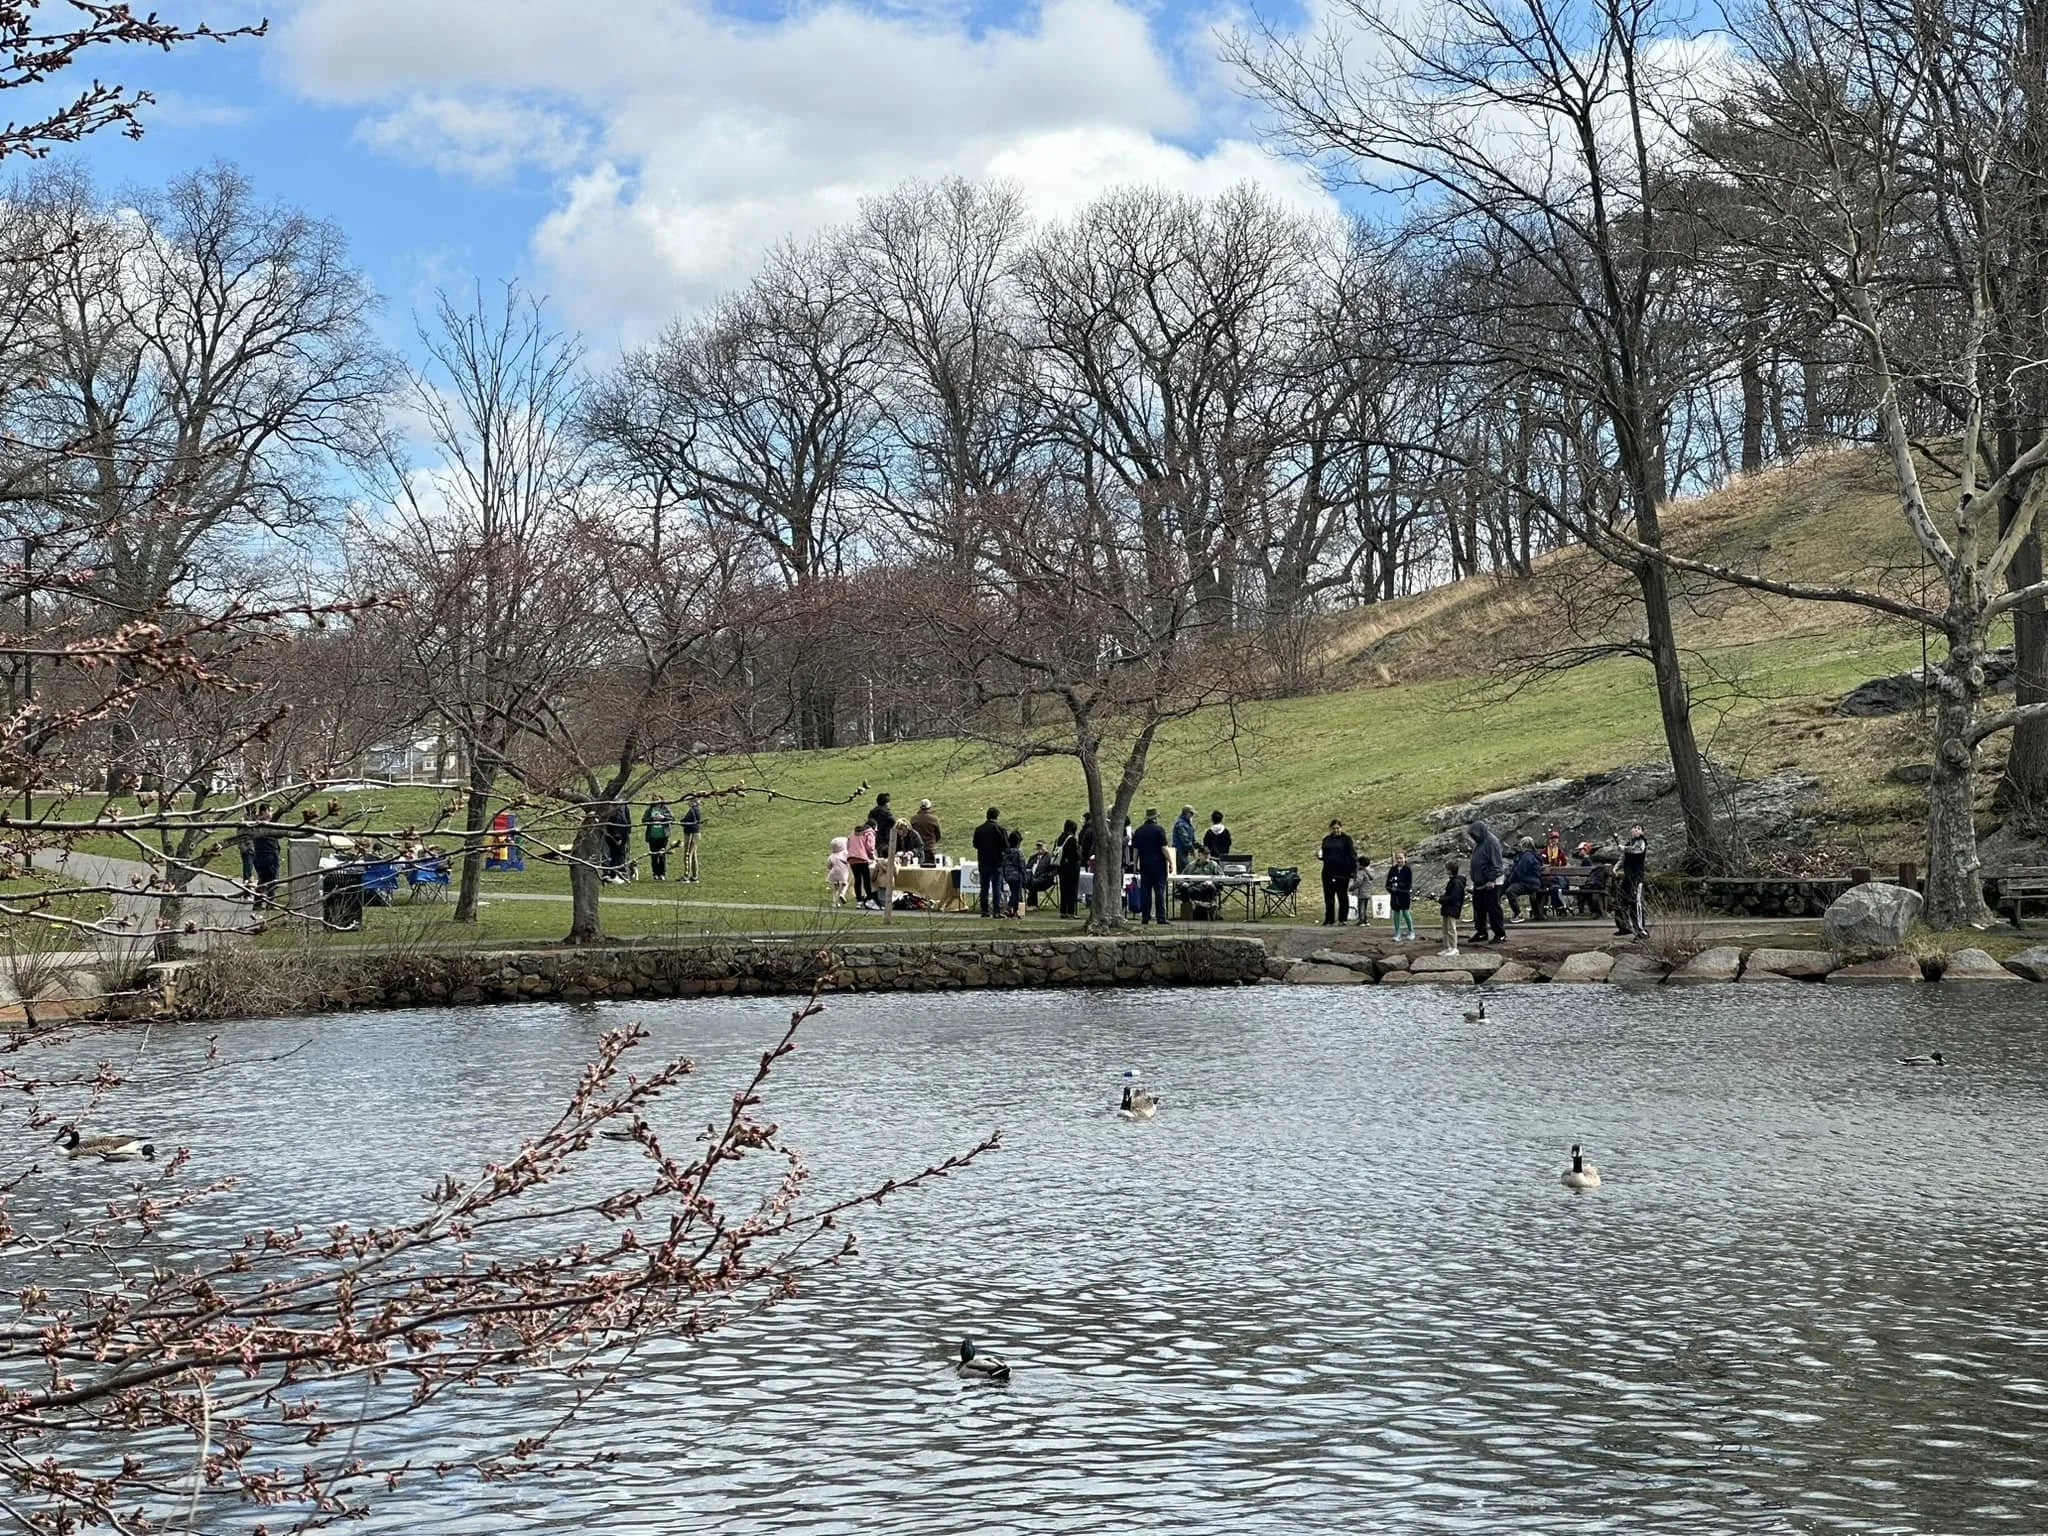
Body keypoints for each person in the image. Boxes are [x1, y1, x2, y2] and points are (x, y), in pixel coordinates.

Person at [1467, 820, 1507, 943]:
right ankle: (1481, 932)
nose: (1474, 837)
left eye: (1475, 835)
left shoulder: (1491, 842)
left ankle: (1500, 934)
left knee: (1493, 908)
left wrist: (1491, 879)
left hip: (1491, 882)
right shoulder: (1479, 843)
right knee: (1479, 908)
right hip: (1479, 882)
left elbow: (1497, 864)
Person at [1132, 807, 1170, 925]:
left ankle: (1145, 916)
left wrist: (1135, 864)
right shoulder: (1159, 830)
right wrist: (1170, 861)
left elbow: (1135, 850)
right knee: (1159, 891)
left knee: (1145, 891)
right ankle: (1161, 917)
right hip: (1158, 864)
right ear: (1155, 818)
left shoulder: (1139, 831)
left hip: (1144, 864)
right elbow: (1164, 848)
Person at [1317, 817, 1358, 925]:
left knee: (1342, 896)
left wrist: (1353, 870)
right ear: (1331, 829)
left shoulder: (1346, 839)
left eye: (1338, 828)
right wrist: (1319, 856)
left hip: (1342, 872)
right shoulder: (1326, 839)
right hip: (1328, 871)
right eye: (1334, 828)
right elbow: (1323, 854)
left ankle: (1342, 919)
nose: (1336, 830)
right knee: (1329, 896)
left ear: (1341, 828)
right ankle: (1329, 919)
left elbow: (1352, 855)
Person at [1613, 825, 1651, 938]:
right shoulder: (1629, 842)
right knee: (1620, 901)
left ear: (1643, 832)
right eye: (1634, 828)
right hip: (1627, 877)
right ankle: (1623, 926)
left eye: (1639, 828)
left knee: (1635, 903)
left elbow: (1637, 850)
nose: (1635, 830)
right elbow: (1623, 857)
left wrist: (1623, 848)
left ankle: (1641, 931)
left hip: (1636, 878)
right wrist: (1616, 868)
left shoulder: (1642, 842)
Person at [972, 806, 1008, 919]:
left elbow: (975, 845)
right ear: (997, 816)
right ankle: (996, 911)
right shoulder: (999, 829)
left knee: (984, 887)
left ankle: (984, 910)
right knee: (996, 887)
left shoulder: (979, 829)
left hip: (983, 861)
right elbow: (1006, 845)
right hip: (996, 862)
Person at [1504, 836, 1545, 922]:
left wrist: (1510, 880)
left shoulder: (1527, 856)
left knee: (1510, 891)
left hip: (1529, 883)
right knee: (1506, 888)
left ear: (1524, 845)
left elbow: (1519, 871)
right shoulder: (1530, 855)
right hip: (1532, 882)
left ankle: (1518, 914)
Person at [248, 804, 280, 910]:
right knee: (271, 879)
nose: (271, 813)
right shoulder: (263, 825)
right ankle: (270, 902)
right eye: (269, 811)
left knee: (262, 880)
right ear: (264, 812)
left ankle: (258, 903)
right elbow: (279, 834)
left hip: (260, 855)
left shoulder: (255, 823)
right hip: (268, 854)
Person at [1438, 859, 1468, 957]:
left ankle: (1454, 948)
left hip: (1452, 909)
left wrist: (1441, 899)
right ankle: (1447, 947)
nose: (1445, 871)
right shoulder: (1452, 881)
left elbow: (1454, 897)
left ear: (1450, 870)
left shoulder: (1457, 883)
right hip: (1447, 908)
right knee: (1445, 929)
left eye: (1447, 869)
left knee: (1451, 929)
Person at [1056, 819, 1083, 918]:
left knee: (1064, 890)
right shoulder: (1071, 839)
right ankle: (1071, 911)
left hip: (1061, 867)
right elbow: (1074, 855)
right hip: (1071, 868)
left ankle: (1063, 910)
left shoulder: (1060, 838)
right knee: (1072, 890)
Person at [1386, 850, 1415, 940]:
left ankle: (1411, 931)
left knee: (1406, 913)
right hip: (1394, 895)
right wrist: (1392, 889)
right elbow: (1387, 883)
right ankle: (1397, 933)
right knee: (1396, 913)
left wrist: (1399, 885)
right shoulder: (1392, 869)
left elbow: (1408, 883)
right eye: (1397, 858)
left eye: (1401, 858)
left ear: (1405, 859)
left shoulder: (1407, 869)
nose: (1399, 860)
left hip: (1404, 895)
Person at [643, 798, 674, 880]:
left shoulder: (665, 809)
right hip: (652, 837)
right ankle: (655, 873)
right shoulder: (650, 810)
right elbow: (644, 820)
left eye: (658, 800)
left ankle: (662, 873)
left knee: (662, 855)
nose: (657, 801)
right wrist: (652, 819)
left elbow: (672, 819)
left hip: (663, 836)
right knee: (653, 855)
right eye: (655, 800)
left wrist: (663, 818)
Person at [603, 801, 634, 883]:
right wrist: (617, 838)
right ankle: (613, 874)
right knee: (615, 855)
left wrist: (628, 831)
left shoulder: (624, 807)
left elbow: (627, 820)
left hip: (623, 835)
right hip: (615, 837)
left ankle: (618, 873)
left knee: (619, 855)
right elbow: (612, 825)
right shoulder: (614, 811)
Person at [1001, 830, 1029, 919]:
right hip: (1017, 876)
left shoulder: (1005, 852)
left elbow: (1003, 864)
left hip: (1008, 875)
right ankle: (1012, 909)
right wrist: (1025, 876)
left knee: (1014, 892)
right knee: (1016, 894)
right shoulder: (1018, 853)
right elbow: (1022, 865)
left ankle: (1013, 910)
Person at [847, 821, 875, 905]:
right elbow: (870, 847)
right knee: (866, 879)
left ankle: (859, 900)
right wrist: (872, 857)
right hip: (862, 858)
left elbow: (848, 844)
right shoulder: (869, 833)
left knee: (857, 879)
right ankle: (870, 898)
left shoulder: (852, 833)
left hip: (852, 858)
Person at [1025, 840, 1056, 909]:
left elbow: (1054, 870)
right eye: (1038, 846)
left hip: (1045, 880)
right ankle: (1017, 904)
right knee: (1019, 882)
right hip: (1032, 879)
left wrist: (1048, 875)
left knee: (1033, 883)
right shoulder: (1033, 857)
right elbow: (1027, 868)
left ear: (1045, 847)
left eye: (1041, 846)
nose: (1040, 848)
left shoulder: (1050, 857)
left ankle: (1031, 904)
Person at [911, 799, 942, 864]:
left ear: (920, 807)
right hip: (930, 848)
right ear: (929, 808)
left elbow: (911, 834)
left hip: (918, 850)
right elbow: (938, 835)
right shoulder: (934, 819)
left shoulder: (914, 819)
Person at [679, 796, 703, 882]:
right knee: (693, 855)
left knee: (688, 854)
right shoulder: (694, 810)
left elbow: (687, 821)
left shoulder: (693, 810)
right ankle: (695, 875)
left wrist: (682, 821)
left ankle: (686, 875)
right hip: (694, 833)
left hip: (691, 833)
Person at [868, 793, 897, 858]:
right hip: (886, 838)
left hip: (876, 838)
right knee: (888, 857)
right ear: (886, 803)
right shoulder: (886, 812)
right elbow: (893, 822)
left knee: (880, 856)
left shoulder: (872, 812)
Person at [1171, 805, 1199, 870]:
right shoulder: (1181, 825)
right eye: (1191, 813)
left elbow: (1192, 839)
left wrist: (1200, 846)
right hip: (1180, 853)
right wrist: (1192, 850)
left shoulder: (1187, 824)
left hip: (1184, 852)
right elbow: (1185, 840)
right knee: (1183, 872)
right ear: (1186, 813)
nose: (1192, 816)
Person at [826, 836, 851, 904]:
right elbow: (849, 860)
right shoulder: (845, 854)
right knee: (845, 884)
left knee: (835, 888)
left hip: (834, 873)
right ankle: (842, 894)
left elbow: (828, 865)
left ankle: (835, 901)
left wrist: (830, 867)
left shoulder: (832, 855)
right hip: (843, 872)